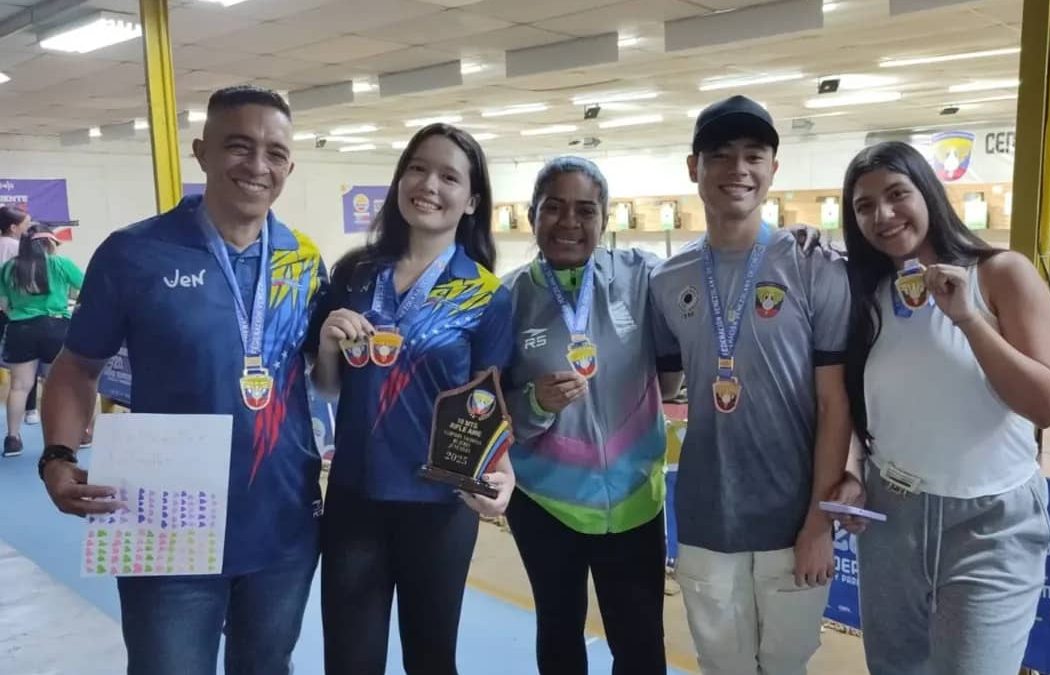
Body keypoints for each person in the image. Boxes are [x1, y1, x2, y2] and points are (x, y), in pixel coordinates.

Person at [39, 85, 326, 675]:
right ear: (201, 152)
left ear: (290, 167)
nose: (257, 166)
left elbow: (321, 377)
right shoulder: (133, 253)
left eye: (275, 153)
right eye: (238, 146)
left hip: (284, 525)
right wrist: (58, 456)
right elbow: (75, 367)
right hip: (165, 523)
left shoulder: (303, 260)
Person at [828, 141, 1050, 675]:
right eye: (864, 206)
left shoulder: (1001, 273)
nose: (883, 215)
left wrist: (968, 319)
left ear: (927, 192)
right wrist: (850, 472)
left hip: (990, 523)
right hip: (892, 515)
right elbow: (855, 400)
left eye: (896, 194)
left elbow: (1046, 406)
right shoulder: (868, 293)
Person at [648, 95, 852, 675]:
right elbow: (658, 381)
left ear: (772, 170)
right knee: (722, 667)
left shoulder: (816, 266)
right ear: (694, 168)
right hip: (707, 520)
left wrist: (820, 520)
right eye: (720, 155)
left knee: (786, 667)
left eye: (753, 155)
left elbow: (835, 401)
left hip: (795, 523)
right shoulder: (669, 279)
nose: (737, 169)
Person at [308, 123, 515, 675]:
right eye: (418, 168)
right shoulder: (354, 272)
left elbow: (486, 405)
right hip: (356, 498)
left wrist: (504, 475)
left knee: (431, 660)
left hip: (439, 507)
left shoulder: (487, 295)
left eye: (449, 176)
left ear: (471, 200)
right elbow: (329, 388)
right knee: (350, 663)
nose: (428, 184)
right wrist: (328, 344)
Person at [501, 156, 683, 675]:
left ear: (605, 219)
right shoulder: (508, 298)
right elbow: (489, 406)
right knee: (558, 632)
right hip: (544, 501)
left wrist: (795, 243)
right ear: (531, 215)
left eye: (585, 210)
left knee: (641, 638)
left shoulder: (642, 276)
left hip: (634, 498)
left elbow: (710, 272)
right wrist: (535, 403)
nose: (569, 223)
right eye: (553, 208)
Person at [0, 224, 80, 456]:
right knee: (59, 387)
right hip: (56, 326)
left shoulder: (8, 268)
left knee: (19, 387)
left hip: (20, 328)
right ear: (49, 243)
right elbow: (87, 288)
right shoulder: (60, 264)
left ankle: (12, 439)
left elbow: (4, 305)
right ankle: (62, 439)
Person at [0, 206, 39, 431]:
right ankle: (31, 409)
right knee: (26, 362)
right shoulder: (20, 250)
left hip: (7, 307)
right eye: (26, 224)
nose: (28, 229)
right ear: (14, 227)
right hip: (15, 311)